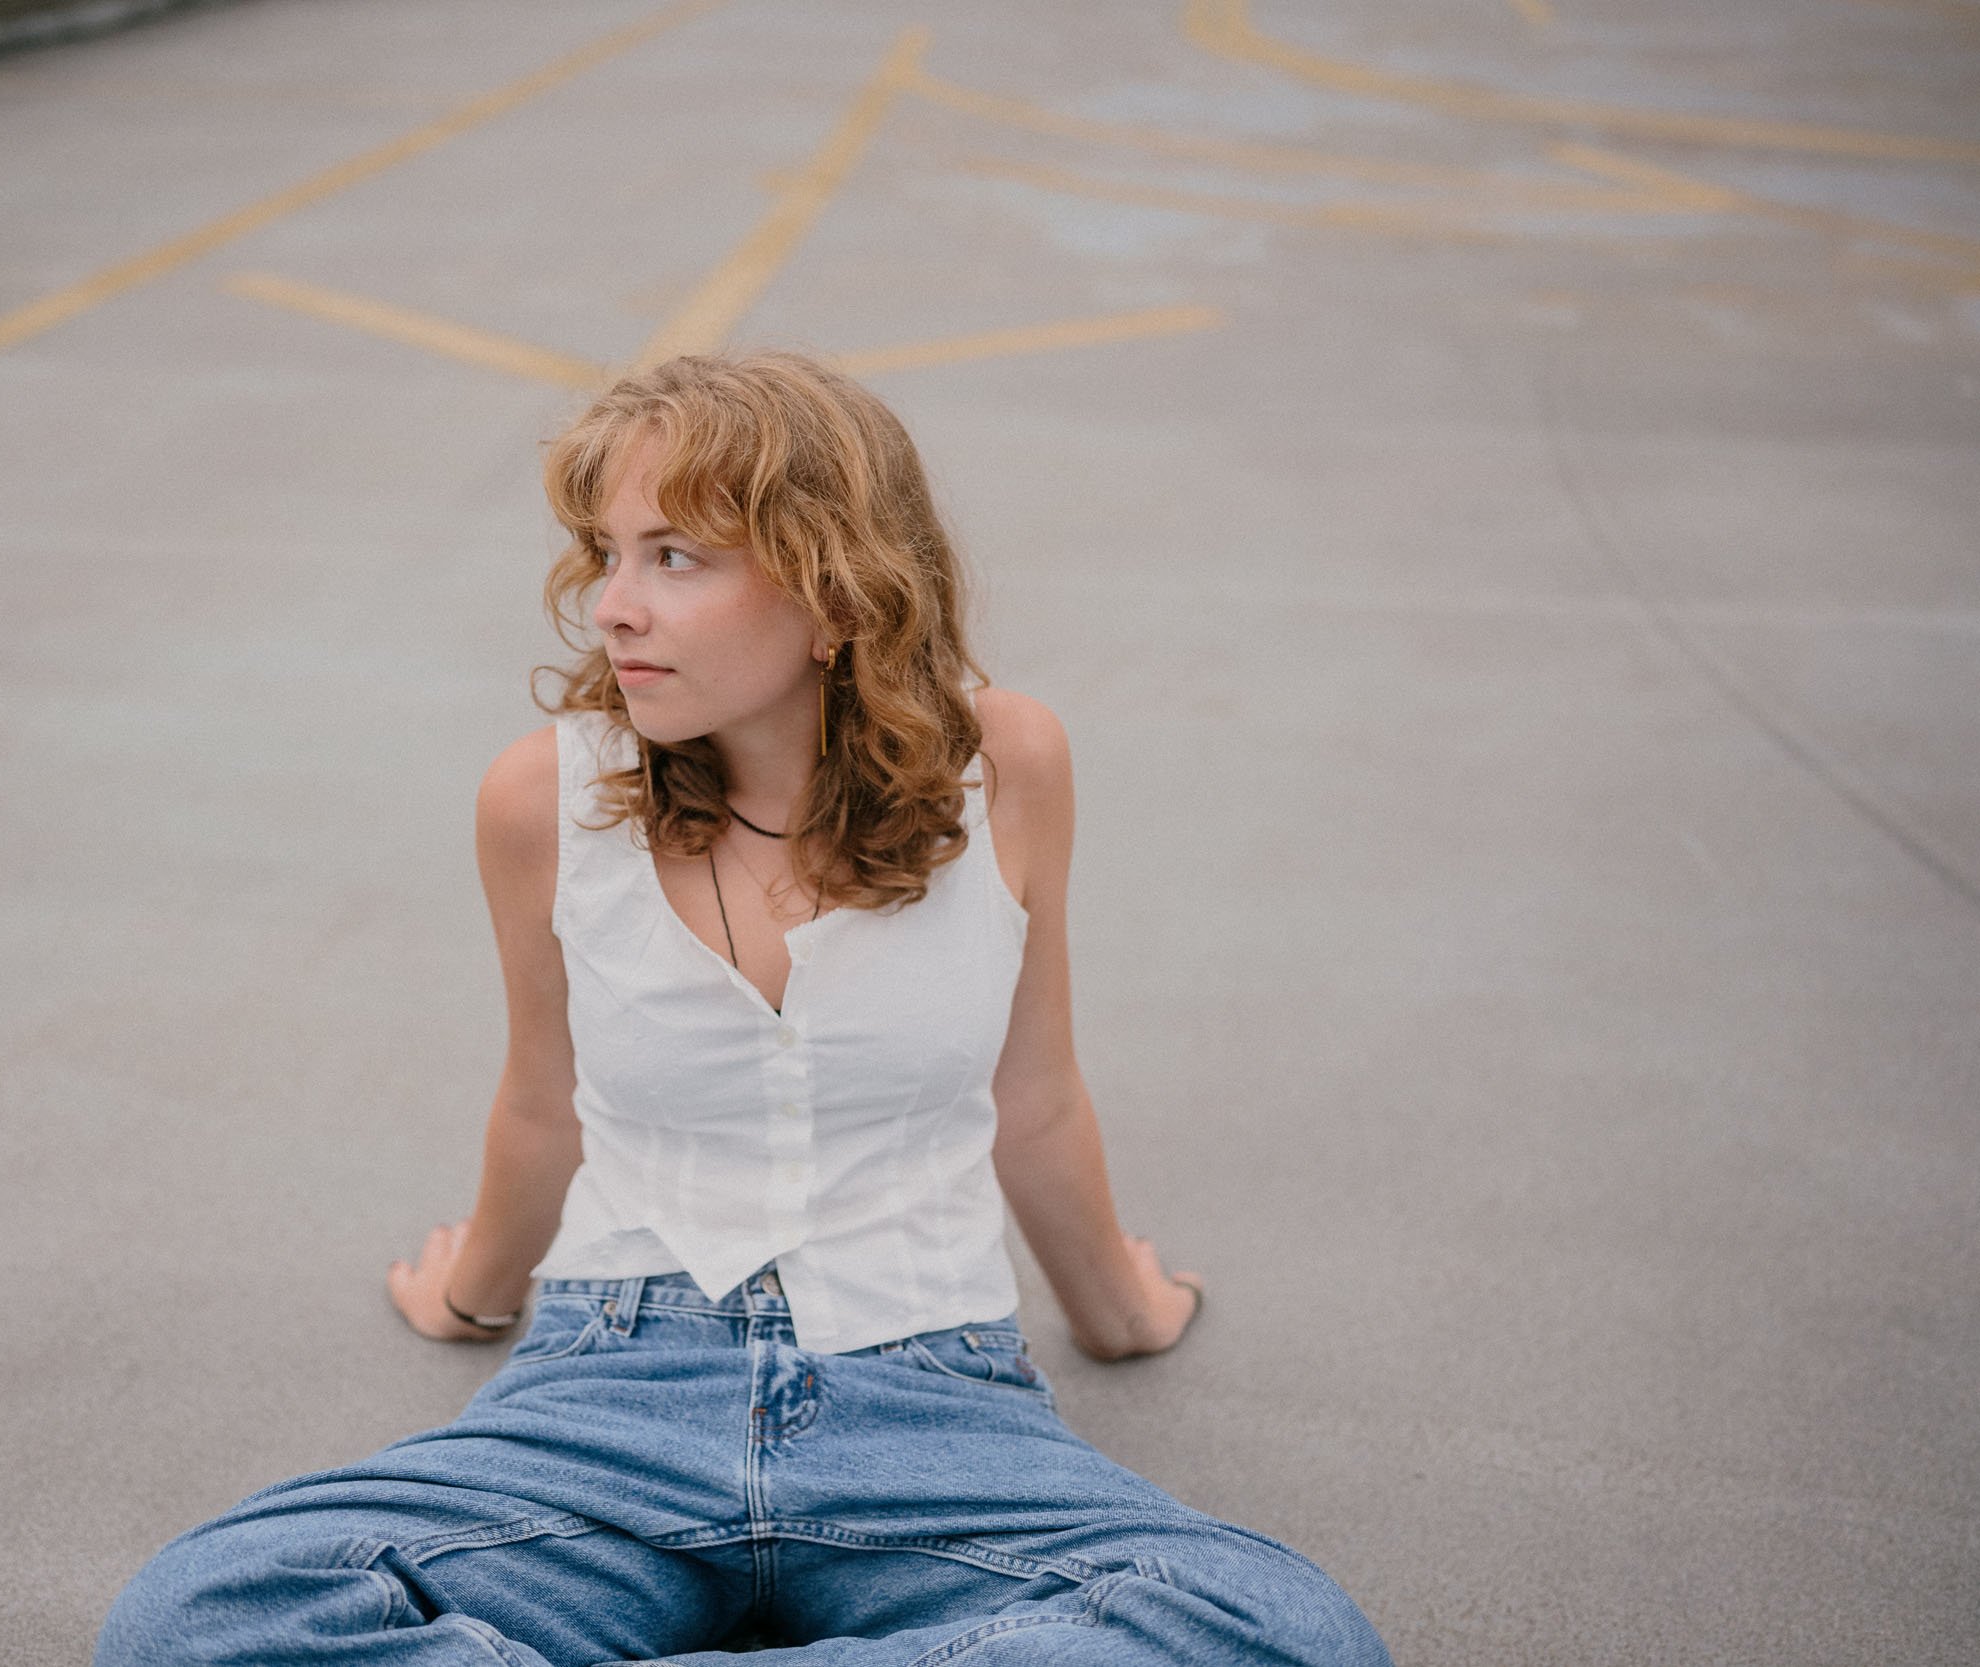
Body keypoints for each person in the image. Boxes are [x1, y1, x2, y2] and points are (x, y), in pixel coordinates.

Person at [95, 352, 1391, 1665]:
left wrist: (1121, 1309)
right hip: (611, 1390)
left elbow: (1033, 1095)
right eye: (606, 554)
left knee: (1289, 1634)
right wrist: (474, 1294)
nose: (611, 608)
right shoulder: (542, 799)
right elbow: (544, 1101)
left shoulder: (1009, 768)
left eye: (675, 557)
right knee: (195, 1619)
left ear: (833, 589)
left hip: (932, 1399)